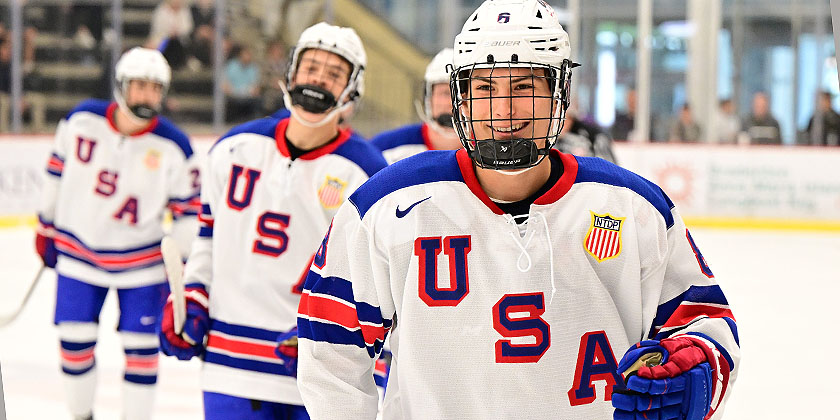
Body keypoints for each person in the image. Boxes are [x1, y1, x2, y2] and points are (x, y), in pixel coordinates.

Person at [295, 1, 740, 419]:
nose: (504, 110)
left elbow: (707, 324)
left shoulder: (632, 207)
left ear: (560, 93)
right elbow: (329, 349)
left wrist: (698, 369)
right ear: (460, 97)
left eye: (525, 86)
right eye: (485, 87)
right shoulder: (387, 206)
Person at [157, 22, 388, 420]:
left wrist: (329, 335)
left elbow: (373, 284)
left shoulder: (366, 172)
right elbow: (209, 240)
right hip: (229, 362)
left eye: (334, 74)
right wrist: (193, 299)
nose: (318, 80)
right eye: (311, 68)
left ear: (353, 91)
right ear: (290, 73)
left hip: (317, 370)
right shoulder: (233, 149)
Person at [35, 47, 200, 420]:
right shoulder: (81, 120)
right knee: (74, 343)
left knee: (142, 350)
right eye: (139, 86)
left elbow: (189, 211)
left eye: (155, 88)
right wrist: (46, 224)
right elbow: (55, 173)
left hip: (141, 263)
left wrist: (184, 264)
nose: (146, 96)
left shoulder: (175, 145)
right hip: (79, 253)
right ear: (120, 86)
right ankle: (82, 416)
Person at [370, 48, 462, 163]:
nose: (454, 103)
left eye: (463, 94)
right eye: (446, 93)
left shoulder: (488, 154)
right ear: (428, 97)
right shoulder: (385, 148)